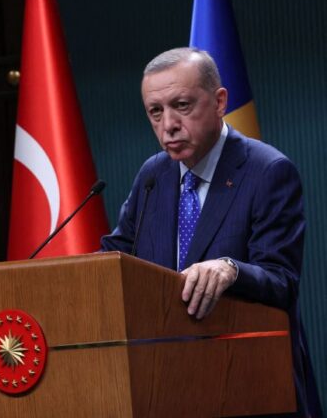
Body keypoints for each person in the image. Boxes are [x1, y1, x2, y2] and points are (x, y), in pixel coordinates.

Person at [101, 47, 321, 416]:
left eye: (182, 106)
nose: (167, 124)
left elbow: (283, 281)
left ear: (219, 101)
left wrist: (230, 269)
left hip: (248, 385)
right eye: (155, 112)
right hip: (166, 386)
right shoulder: (154, 175)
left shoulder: (268, 172)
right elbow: (117, 255)